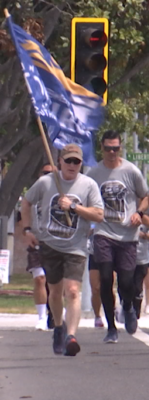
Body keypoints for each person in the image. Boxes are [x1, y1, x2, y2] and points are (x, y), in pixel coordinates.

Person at [20, 144, 104, 356]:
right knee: (55, 292)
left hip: (75, 247)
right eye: (69, 161)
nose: (72, 165)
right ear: (60, 161)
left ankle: (71, 336)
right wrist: (28, 229)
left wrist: (74, 207)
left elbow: (99, 215)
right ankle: (59, 327)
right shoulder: (46, 182)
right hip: (50, 244)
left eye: (77, 161)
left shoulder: (88, 185)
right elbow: (27, 203)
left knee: (73, 291)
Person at [87, 130, 149, 342]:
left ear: (120, 148)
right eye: (107, 148)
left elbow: (146, 197)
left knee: (126, 281)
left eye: (115, 148)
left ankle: (129, 306)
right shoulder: (93, 174)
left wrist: (139, 213)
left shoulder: (131, 171)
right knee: (105, 279)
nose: (112, 152)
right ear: (102, 148)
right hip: (103, 232)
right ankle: (111, 328)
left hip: (127, 236)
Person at [21, 164, 55, 330]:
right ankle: (41, 316)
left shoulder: (59, 195)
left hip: (56, 244)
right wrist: (26, 232)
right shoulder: (32, 196)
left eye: (51, 173)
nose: (47, 176)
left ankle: (54, 312)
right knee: (40, 278)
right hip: (37, 244)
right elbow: (23, 215)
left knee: (55, 282)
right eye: (45, 173)